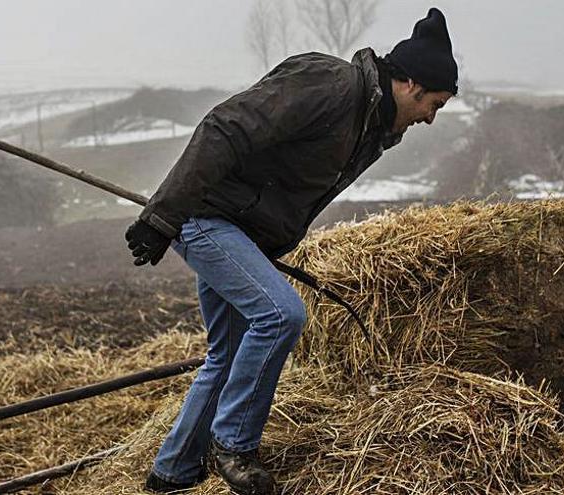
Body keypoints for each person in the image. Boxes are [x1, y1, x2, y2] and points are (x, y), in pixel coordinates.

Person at [125, 7, 459, 495]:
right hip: (205, 215)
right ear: (409, 83)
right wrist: (163, 215)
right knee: (281, 315)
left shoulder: (372, 126)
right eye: (436, 103)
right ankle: (234, 445)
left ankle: (171, 473)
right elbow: (226, 127)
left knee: (230, 352)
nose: (431, 118)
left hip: (240, 231)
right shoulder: (329, 83)